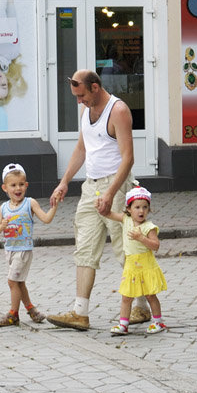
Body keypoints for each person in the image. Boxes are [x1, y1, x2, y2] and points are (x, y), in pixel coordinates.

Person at [46, 69, 150, 331]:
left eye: (82, 96)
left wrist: (110, 193)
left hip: (116, 185)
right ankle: (80, 312)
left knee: (126, 248)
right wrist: (65, 181)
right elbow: (82, 148)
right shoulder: (85, 110)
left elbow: (128, 158)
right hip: (91, 186)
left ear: (95, 87)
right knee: (84, 247)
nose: (79, 101)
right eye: (76, 97)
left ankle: (142, 306)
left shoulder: (119, 111)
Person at [0, 163, 59, 327]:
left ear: (26, 185)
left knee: (12, 282)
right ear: (5, 188)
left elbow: (46, 219)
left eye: (21, 184)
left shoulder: (30, 203)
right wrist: (2, 226)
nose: (18, 188)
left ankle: (13, 314)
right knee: (19, 283)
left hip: (23, 250)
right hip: (10, 250)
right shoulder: (4, 208)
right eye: (13, 185)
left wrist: (54, 207)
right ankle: (31, 309)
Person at [101, 184, 168, 335]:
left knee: (150, 295)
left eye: (145, 207)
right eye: (137, 207)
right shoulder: (126, 220)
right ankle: (123, 324)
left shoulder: (148, 227)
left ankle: (158, 322)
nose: (141, 211)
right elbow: (109, 214)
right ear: (129, 209)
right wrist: (101, 206)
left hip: (146, 266)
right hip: (131, 266)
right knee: (127, 296)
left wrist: (141, 238)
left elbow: (155, 245)